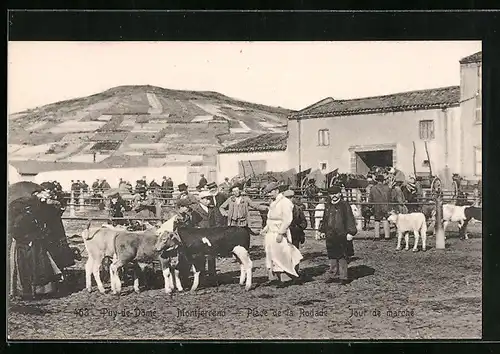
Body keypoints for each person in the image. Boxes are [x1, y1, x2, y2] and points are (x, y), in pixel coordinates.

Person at [260, 182, 303, 287]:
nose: (269, 194)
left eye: (271, 192)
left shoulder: (285, 202)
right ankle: (279, 278)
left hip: (279, 232)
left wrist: (281, 232)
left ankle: (289, 278)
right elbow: (270, 219)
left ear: (277, 191)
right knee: (272, 255)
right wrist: (265, 228)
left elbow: (287, 219)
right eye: (268, 192)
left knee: (282, 255)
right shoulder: (273, 203)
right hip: (271, 232)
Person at [318, 185, 358, 285]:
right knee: (332, 255)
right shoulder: (328, 205)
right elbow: (325, 219)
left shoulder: (344, 205)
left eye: (336, 193)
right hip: (330, 234)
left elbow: (350, 218)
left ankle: (344, 277)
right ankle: (333, 275)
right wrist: (322, 230)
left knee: (342, 255)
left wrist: (351, 232)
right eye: (331, 194)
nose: (334, 196)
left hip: (342, 234)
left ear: (340, 193)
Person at [191, 190, 217, 278]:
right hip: (201, 235)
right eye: (206, 199)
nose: (208, 201)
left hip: (211, 234)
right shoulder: (196, 210)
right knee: (201, 255)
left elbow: (214, 221)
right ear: (201, 199)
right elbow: (194, 224)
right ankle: (201, 274)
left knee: (211, 254)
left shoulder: (211, 209)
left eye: (209, 199)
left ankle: (212, 274)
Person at [283, 189, 307, 277]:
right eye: (287, 198)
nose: (289, 199)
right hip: (284, 234)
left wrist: (299, 228)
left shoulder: (298, 209)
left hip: (295, 234)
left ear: (293, 198)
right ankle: (286, 272)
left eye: (291, 197)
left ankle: (295, 272)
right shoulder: (281, 209)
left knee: (294, 253)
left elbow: (304, 222)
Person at [368, 174, 391, 239]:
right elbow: (390, 198)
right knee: (385, 220)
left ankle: (377, 236)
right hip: (385, 206)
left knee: (377, 220)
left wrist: (370, 206)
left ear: (377, 180)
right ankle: (387, 236)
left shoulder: (373, 188)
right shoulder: (387, 188)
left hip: (376, 206)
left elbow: (370, 199)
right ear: (383, 180)